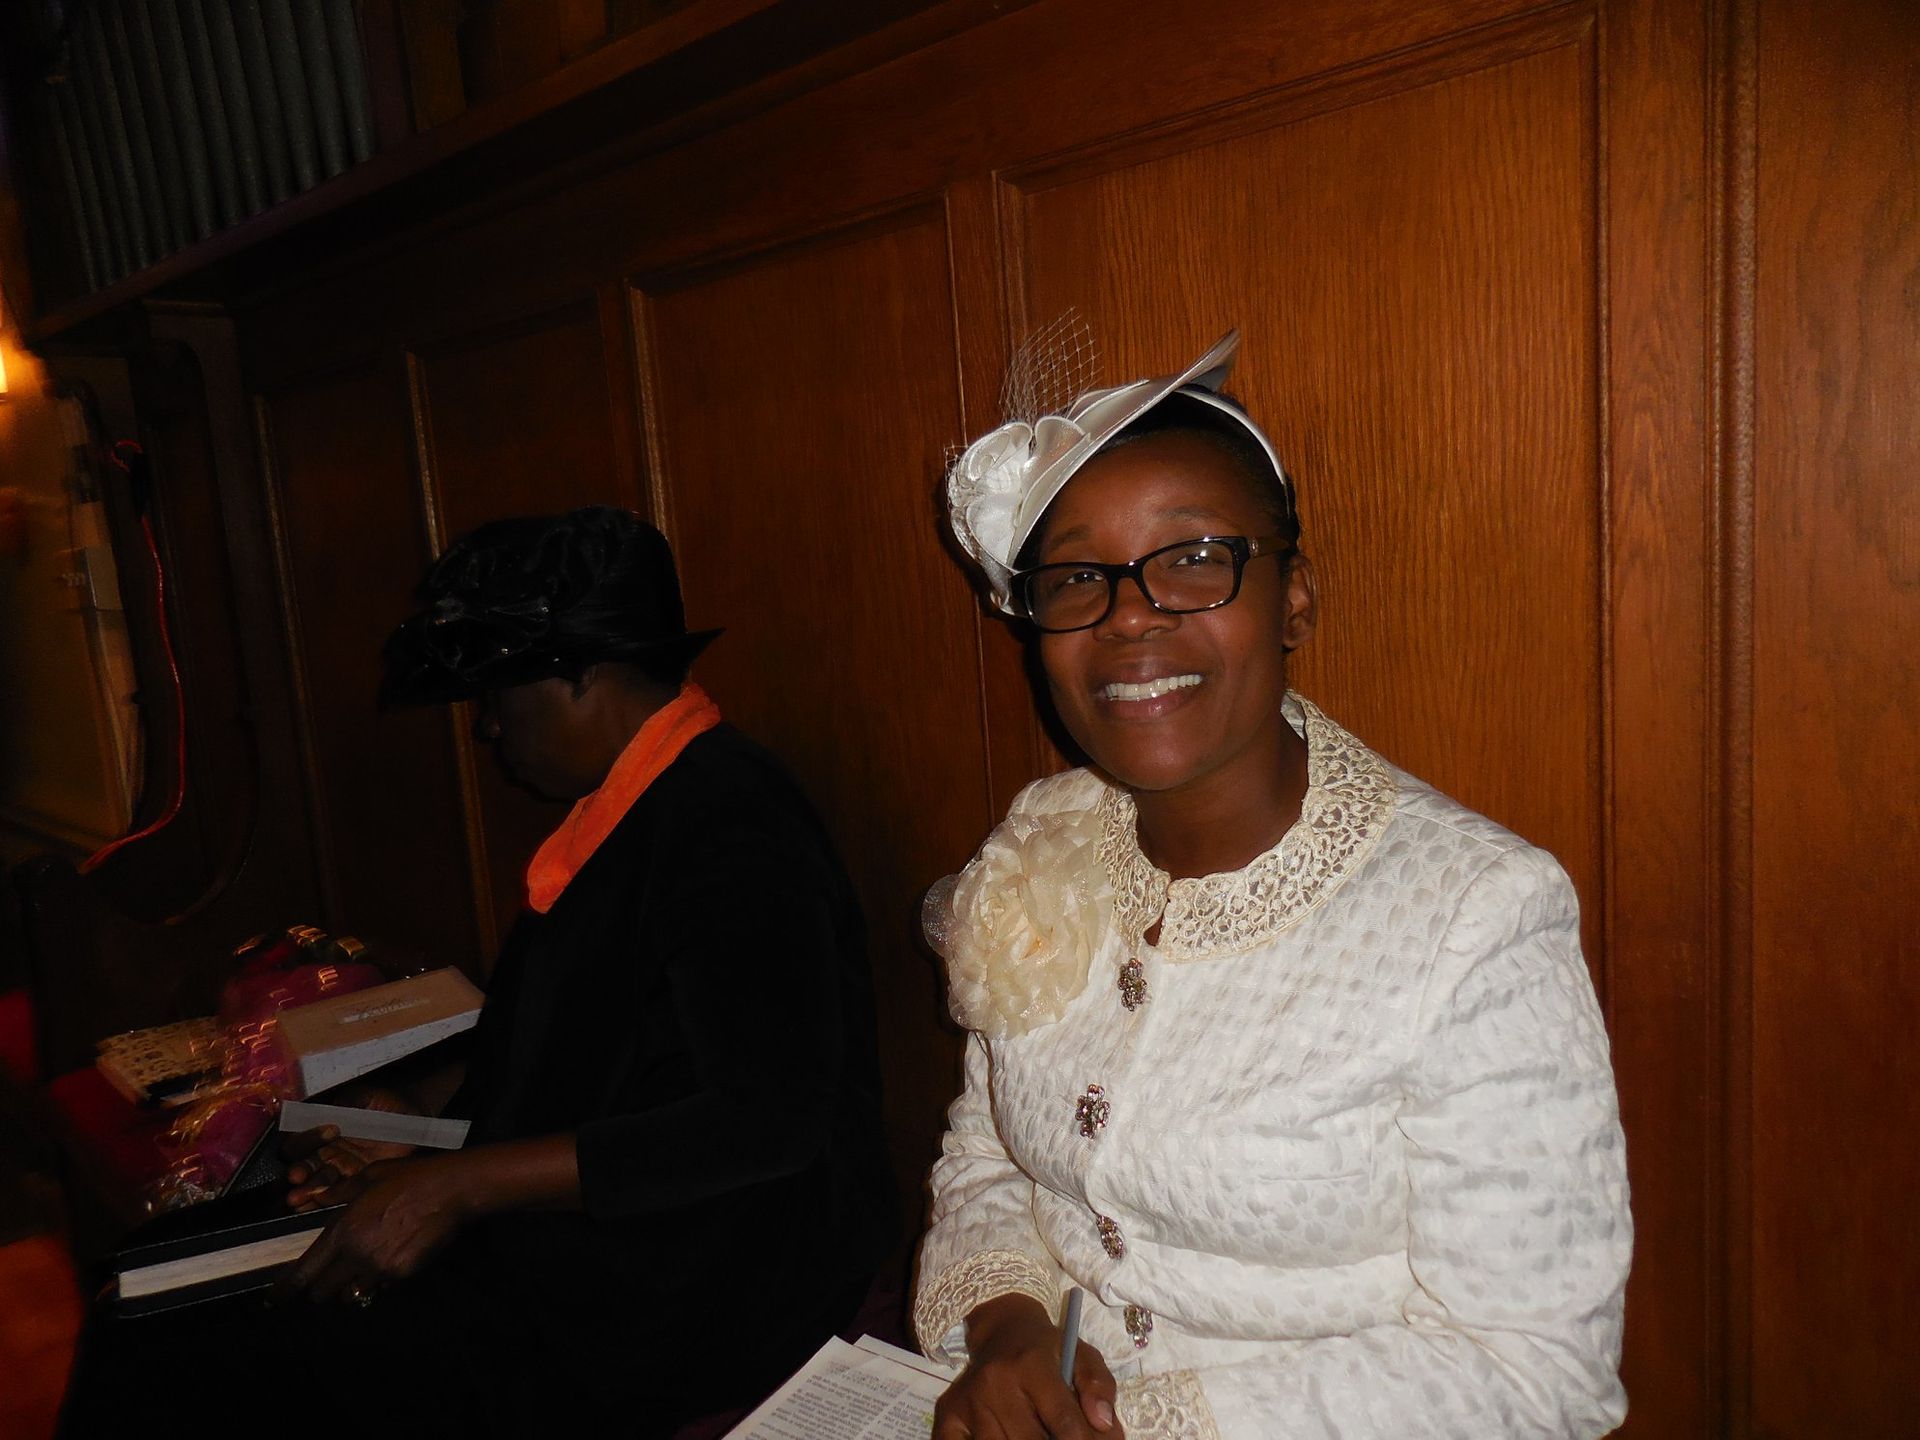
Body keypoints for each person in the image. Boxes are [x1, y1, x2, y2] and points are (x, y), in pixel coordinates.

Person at [914, 330, 1632, 1439]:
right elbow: (987, 1153)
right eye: (1075, 577)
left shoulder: (1474, 916)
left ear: (1294, 597)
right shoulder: (1038, 841)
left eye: (1193, 557)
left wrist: (1146, 1425)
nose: (1131, 615)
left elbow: (1533, 1371)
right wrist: (1006, 1320)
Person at [61, 506, 895, 1436]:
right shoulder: (638, 804)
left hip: (704, 1282)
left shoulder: (734, 825)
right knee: (146, 1281)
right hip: (600, 1241)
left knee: (210, 1351)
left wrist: (453, 1185)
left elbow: (761, 1123)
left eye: (500, 694)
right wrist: (418, 1122)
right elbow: (581, 1047)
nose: (490, 728)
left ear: (580, 673)